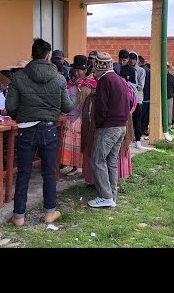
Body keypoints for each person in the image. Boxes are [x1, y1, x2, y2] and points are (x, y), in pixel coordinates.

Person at [6, 38, 73, 226]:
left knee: (24, 174)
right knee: (49, 173)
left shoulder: (19, 77)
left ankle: (19, 216)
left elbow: (10, 106)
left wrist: (21, 115)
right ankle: (49, 213)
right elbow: (67, 106)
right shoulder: (59, 79)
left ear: (32, 55)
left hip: (25, 131)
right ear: (48, 56)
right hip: (49, 130)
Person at [87, 52, 130, 208]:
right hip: (121, 126)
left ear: (99, 67)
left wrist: (98, 123)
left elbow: (101, 108)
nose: (93, 71)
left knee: (97, 160)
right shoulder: (118, 79)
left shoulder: (105, 80)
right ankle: (112, 196)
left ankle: (105, 197)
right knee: (111, 162)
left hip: (108, 127)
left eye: (94, 67)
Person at [61, 55, 97, 176]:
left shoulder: (91, 83)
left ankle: (84, 166)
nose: (76, 73)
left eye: (79, 70)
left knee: (81, 142)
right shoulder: (71, 82)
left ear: (85, 70)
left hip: (83, 117)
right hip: (71, 116)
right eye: (75, 70)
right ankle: (74, 165)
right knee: (72, 143)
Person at [128, 51, 146, 148]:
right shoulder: (125, 69)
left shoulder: (141, 71)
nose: (131, 61)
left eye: (133, 59)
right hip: (127, 99)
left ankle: (138, 140)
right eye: (130, 58)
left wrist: (128, 84)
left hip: (137, 99)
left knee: (137, 120)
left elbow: (141, 86)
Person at [138, 55, 151, 135]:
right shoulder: (149, 70)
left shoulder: (141, 71)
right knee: (145, 117)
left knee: (140, 116)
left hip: (143, 96)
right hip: (148, 96)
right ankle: (144, 130)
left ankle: (140, 131)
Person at [166, 62, 174, 129]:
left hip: (169, 97)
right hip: (160, 98)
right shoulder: (159, 76)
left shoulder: (172, 77)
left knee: (169, 111)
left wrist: (171, 93)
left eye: (167, 67)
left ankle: (169, 125)